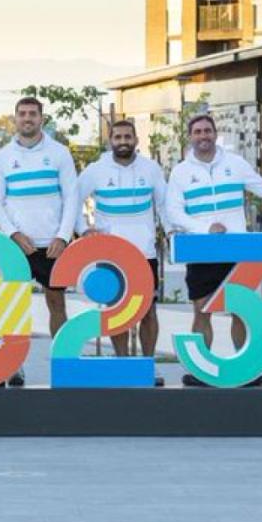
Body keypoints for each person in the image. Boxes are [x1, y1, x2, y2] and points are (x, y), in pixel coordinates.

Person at [165, 113, 262, 387]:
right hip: (202, 251)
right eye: (197, 131)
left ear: (215, 133)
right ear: (190, 136)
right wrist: (205, 226)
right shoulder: (181, 171)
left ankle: (245, 370)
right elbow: (174, 211)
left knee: (240, 310)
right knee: (201, 310)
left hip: (237, 249)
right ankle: (201, 370)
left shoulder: (235, 163)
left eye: (207, 130)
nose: (203, 135)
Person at [0, 96, 78, 386]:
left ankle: (63, 363)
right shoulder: (3, 157)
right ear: (15, 118)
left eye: (33, 114)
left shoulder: (60, 153)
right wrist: (13, 233)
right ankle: (13, 366)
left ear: (42, 119)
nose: (28, 118)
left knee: (56, 303)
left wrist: (63, 236)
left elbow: (71, 198)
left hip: (51, 244)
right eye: (22, 114)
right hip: (17, 244)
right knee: (13, 306)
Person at [76, 119, 169, 382]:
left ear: (136, 139)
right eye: (118, 137)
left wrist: (170, 230)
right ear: (110, 141)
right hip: (111, 255)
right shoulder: (95, 170)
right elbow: (74, 200)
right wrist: (84, 229)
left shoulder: (151, 169)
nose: (123, 141)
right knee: (117, 311)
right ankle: (122, 365)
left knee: (148, 311)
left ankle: (148, 365)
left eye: (128, 136)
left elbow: (164, 204)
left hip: (145, 253)